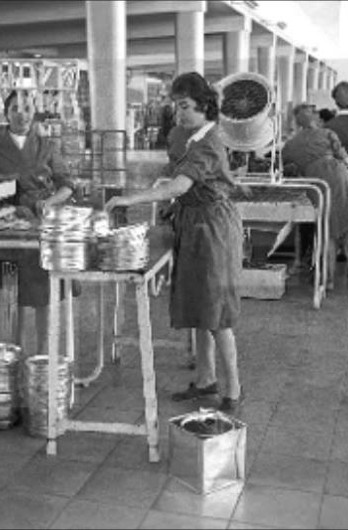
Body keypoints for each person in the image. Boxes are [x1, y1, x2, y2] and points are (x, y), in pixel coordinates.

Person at [104, 72, 244, 413]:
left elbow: (180, 185)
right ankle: (206, 381)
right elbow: (172, 173)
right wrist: (166, 202)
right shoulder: (188, 136)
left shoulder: (210, 142)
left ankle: (233, 390)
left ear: (204, 106)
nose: (178, 113)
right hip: (192, 222)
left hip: (212, 227)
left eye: (185, 106)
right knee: (199, 307)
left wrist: (130, 200)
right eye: (176, 106)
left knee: (217, 311)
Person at [0, 89, 78, 354]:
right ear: (5, 113)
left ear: (34, 112)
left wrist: (49, 203)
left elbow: (67, 185)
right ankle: (12, 355)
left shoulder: (47, 146)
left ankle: (44, 357)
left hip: (41, 225)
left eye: (27, 108)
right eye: (15, 108)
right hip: (4, 224)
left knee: (45, 295)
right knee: (10, 296)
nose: (22, 114)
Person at [281, 103, 348, 287]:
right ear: (315, 118)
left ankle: (328, 280)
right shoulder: (328, 134)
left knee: (327, 232)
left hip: (316, 183)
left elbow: (284, 168)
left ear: (297, 121)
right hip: (340, 177)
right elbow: (346, 159)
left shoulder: (291, 144)